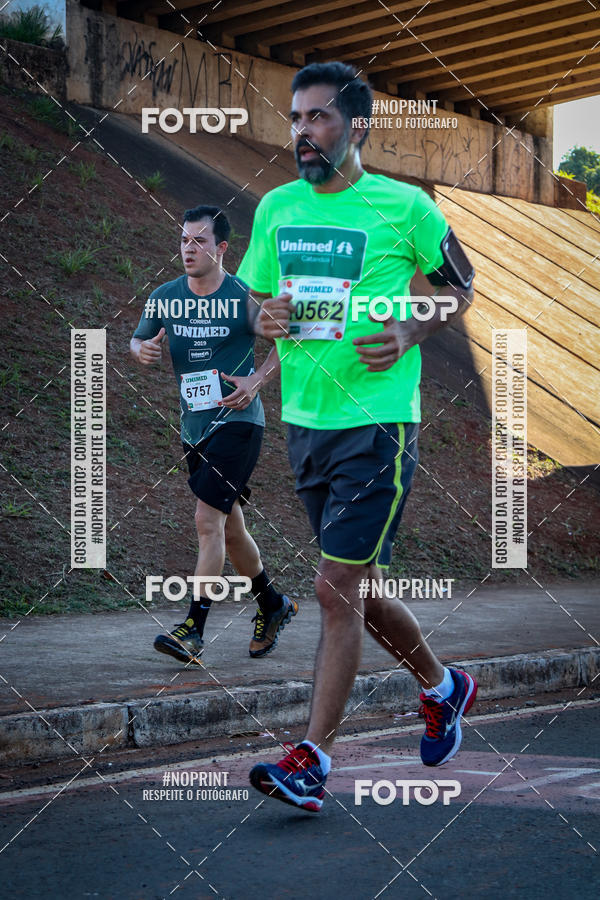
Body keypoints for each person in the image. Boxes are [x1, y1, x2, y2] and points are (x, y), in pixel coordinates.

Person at [238, 63, 477, 812]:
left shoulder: (406, 207)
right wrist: (264, 319)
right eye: (296, 118)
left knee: (333, 587)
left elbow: (463, 286)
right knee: (359, 591)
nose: (303, 132)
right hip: (305, 425)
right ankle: (443, 685)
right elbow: (257, 302)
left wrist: (411, 327)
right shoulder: (276, 207)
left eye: (318, 118)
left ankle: (312, 760)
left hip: (377, 425)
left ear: (358, 126)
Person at [130, 205, 297, 663]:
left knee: (208, 521)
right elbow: (138, 338)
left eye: (199, 241)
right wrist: (140, 349)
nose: (189, 248)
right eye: (184, 240)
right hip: (194, 430)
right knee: (231, 528)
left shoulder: (245, 296)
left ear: (221, 248)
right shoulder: (165, 296)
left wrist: (256, 381)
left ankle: (193, 631)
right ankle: (272, 604)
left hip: (239, 423)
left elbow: (290, 341)